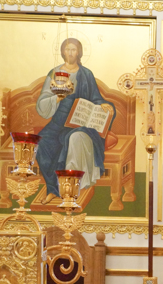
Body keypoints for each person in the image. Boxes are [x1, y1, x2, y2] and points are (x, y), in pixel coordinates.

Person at [36, 38, 116, 204]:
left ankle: (72, 188)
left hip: (80, 122)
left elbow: (95, 98)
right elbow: (42, 102)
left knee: (74, 138)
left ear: (79, 52)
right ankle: (53, 189)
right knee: (42, 143)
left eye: (74, 49)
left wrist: (104, 105)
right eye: (67, 49)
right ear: (62, 51)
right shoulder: (54, 73)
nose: (70, 53)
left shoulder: (86, 74)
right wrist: (57, 98)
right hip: (58, 121)